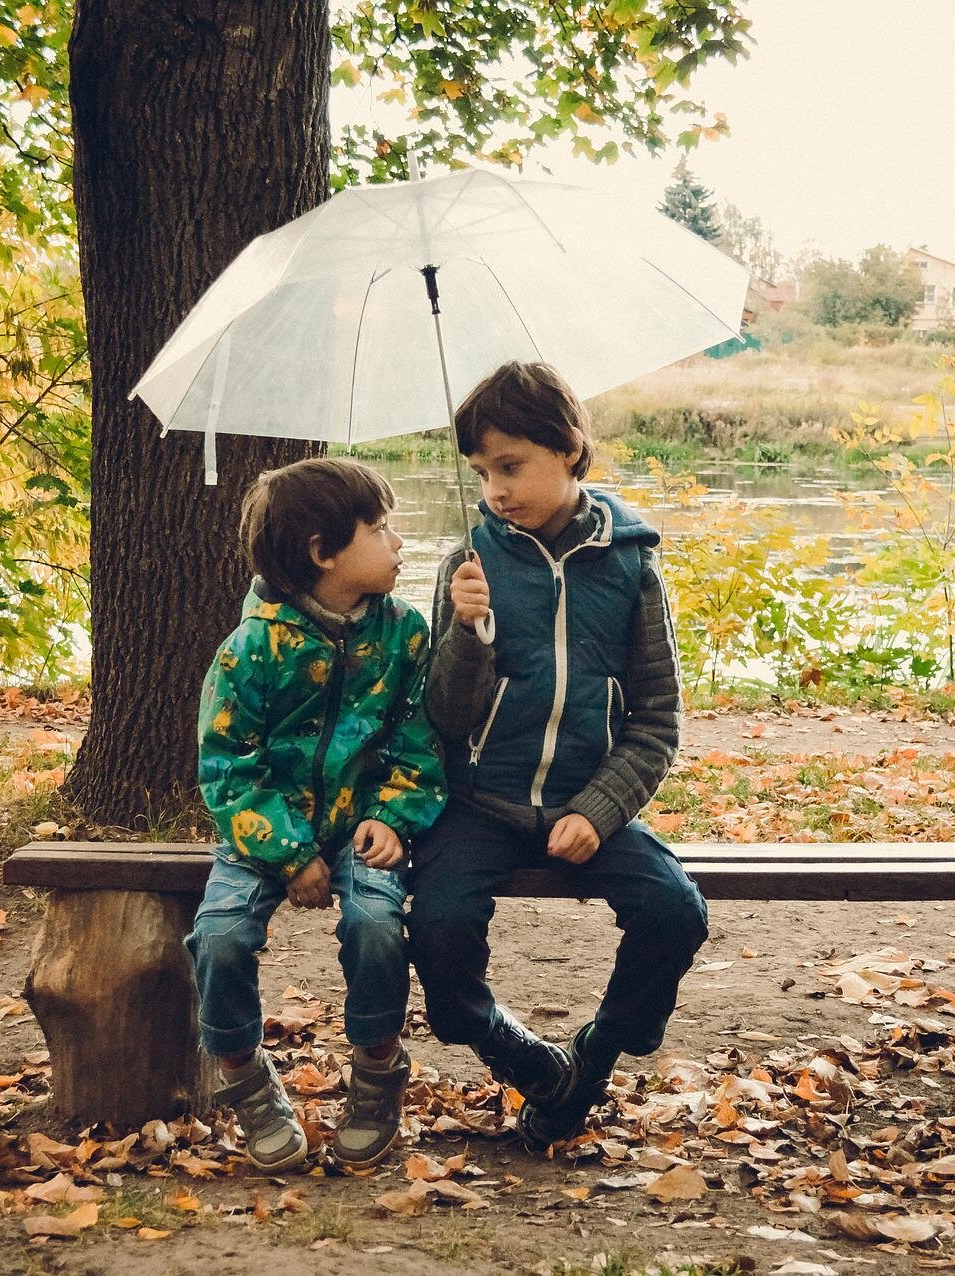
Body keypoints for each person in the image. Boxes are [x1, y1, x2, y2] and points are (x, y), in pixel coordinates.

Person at [409, 360, 708, 1152]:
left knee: (675, 910)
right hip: (481, 804)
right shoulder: (470, 563)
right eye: (482, 472)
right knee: (435, 927)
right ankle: (525, 1060)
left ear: (570, 449)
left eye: (511, 466)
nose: (495, 489)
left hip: (586, 803)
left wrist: (599, 810)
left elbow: (657, 719)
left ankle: (596, 1055)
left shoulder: (632, 564)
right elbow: (441, 719)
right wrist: (466, 637)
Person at [186, 457, 446, 1172]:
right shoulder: (250, 652)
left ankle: (375, 1073)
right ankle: (243, 1079)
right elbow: (229, 769)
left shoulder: (406, 637)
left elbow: (420, 743)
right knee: (222, 940)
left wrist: (394, 816)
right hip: (264, 833)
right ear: (323, 552)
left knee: (374, 926)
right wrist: (290, 854)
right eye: (381, 528)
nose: (398, 543)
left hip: (365, 827)